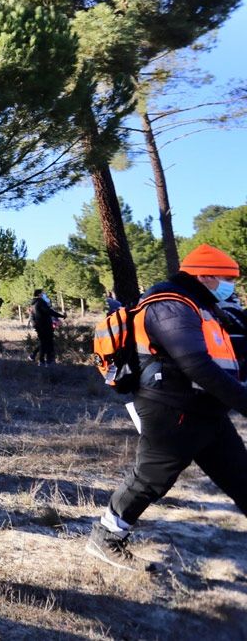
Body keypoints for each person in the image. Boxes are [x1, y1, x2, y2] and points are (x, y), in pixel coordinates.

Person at [87, 245, 247, 572]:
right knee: (151, 478)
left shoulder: (199, 307)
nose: (230, 285)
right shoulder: (168, 305)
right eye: (225, 278)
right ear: (204, 275)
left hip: (205, 410)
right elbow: (197, 365)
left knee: (241, 476)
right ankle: (106, 536)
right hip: (170, 410)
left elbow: (224, 351)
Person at [28, 289, 65, 365]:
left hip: (41, 326)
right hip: (45, 326)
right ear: (39, 294)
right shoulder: (41, 302)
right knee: (47, 343)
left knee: (43, 343)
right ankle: (46, 361)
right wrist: (61, 315)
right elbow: (49, 312)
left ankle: (41, 360)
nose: (44, 294)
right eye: (43, 293)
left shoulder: (34, 303)